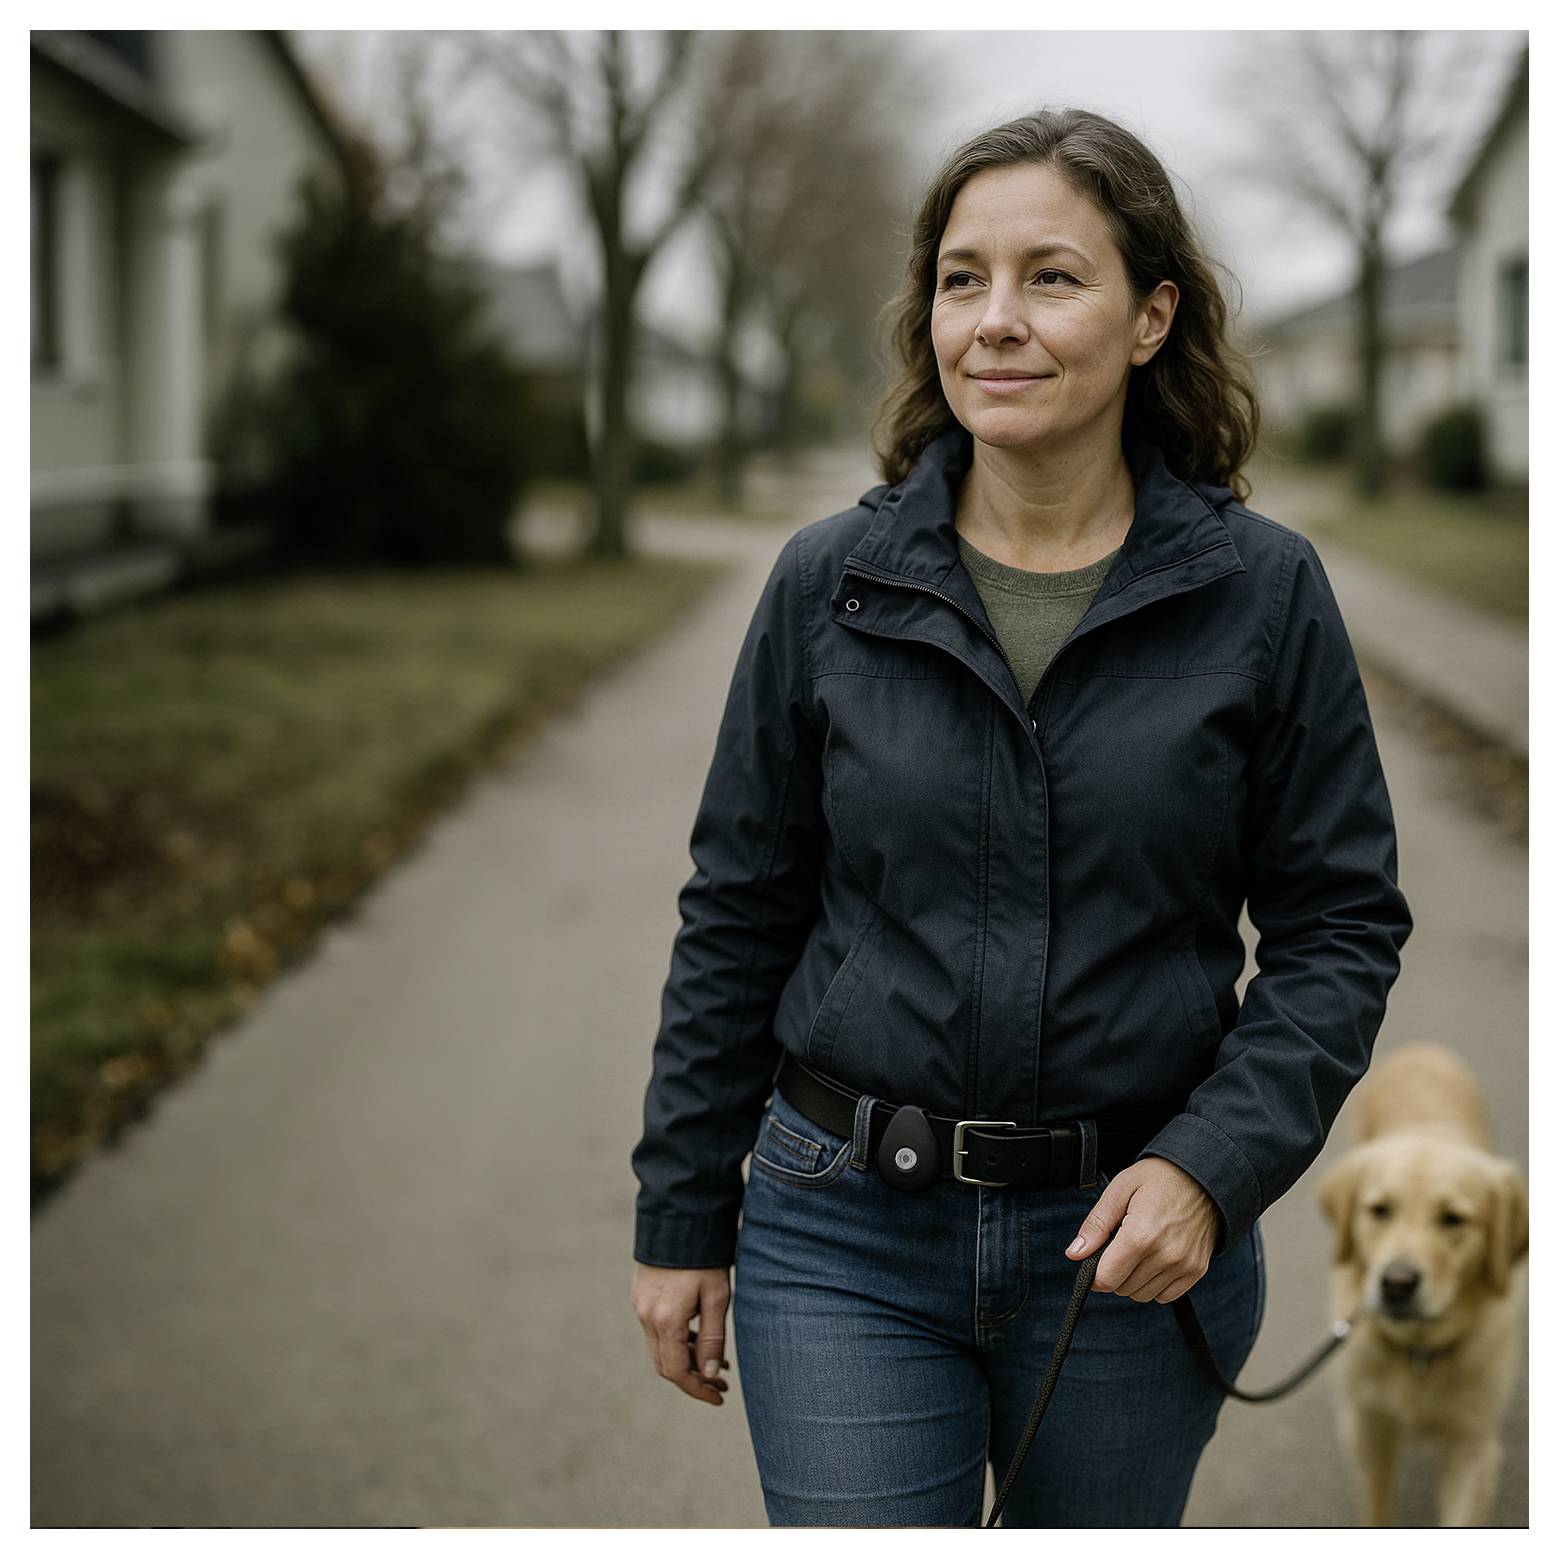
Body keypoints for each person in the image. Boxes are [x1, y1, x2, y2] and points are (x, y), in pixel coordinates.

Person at [628, 106, 1413, 1527]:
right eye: (960, 278)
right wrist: (682, 1216)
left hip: (1129, 1246)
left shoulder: (1264, 593)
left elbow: (1340, 925)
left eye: (1052, 276)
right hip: (843, 1229)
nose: (995, 320)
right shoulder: (830, 583)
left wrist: (1211, 1167)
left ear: (1152, 316)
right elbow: (740, 905)